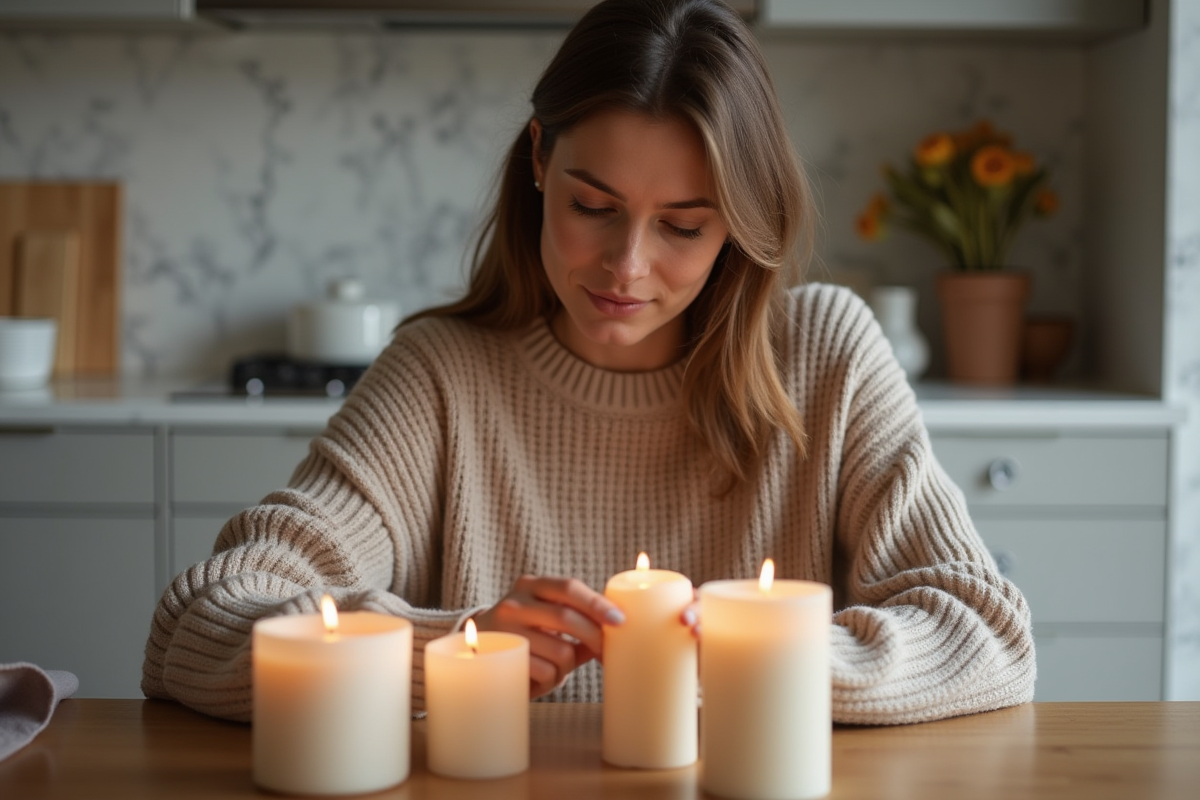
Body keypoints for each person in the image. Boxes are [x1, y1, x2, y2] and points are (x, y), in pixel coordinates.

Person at [142, 0, 1035, 726]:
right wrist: (451, 648)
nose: (627, 267)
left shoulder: (827, 354)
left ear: (737, 225)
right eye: (594, 207)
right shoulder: (441, 375)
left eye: (683, 226)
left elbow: (988, 635)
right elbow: (197, 624)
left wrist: (765, 661)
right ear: (539, 159)